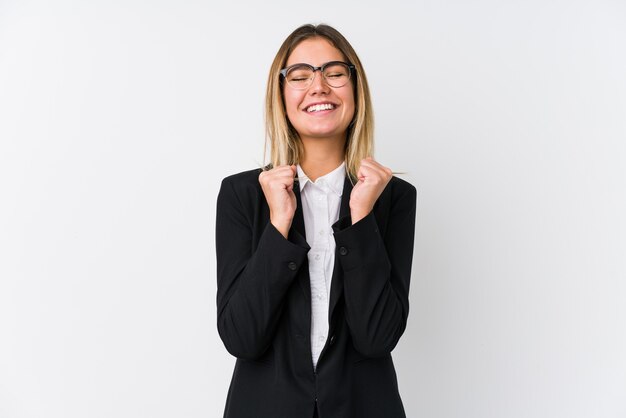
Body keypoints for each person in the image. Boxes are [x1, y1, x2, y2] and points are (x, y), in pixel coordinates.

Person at [215, 23, 417, 418]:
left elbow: (378, 337)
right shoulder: (242, 195)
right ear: (282, 96)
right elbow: (242, 337)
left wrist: (360, 219)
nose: (319, 86)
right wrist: (278, 226)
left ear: (355, 89)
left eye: (335, 73)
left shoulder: (393, 198)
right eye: (301, 75)